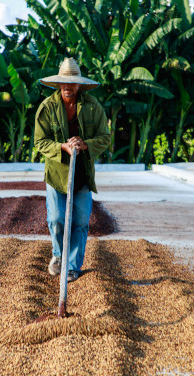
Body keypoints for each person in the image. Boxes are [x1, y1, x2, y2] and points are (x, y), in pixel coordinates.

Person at [34, 57, 111, 282]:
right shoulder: (47, 107)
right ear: (59, 85)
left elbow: (104, 137)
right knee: (56, 218)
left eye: (72, 83)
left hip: (82, 172)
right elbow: (40, 141)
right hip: (57, 173)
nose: (68, 87)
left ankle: (73, 266)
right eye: (64, 83)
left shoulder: (92, 107)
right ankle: (58, 255)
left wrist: (85, 144)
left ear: (79, 84)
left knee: (80, 221)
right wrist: (62, 146)